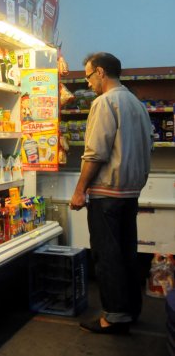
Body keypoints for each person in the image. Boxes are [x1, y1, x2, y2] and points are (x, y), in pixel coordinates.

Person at [69, 52, 152, 334]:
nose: (88, 83)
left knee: (107, 256)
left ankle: (113, 317)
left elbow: (95, 153)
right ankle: (130, 310)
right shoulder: (137, 104)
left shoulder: (104, 102)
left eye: (89, 76)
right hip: (130, 193)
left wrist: (79, 190)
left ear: (101, 72)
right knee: (127, 254)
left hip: (107, 194)